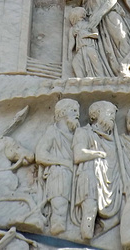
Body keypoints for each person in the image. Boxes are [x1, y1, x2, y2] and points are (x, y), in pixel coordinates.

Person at [71, 101, 124, 240]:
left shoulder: (114, 140)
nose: (113, 117)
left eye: (114, 114)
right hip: (89, 176)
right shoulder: (83, 132)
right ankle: (84, 237)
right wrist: (98, 154)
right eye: (109, 113)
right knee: (90, 209)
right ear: (97, 114)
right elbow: (78, 155)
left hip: (111, 181)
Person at [35, 98, 80, 235]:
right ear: (62, 113)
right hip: (59, 174)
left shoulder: (77, 135)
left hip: (76, 174)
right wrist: (63, 162)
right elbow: (40, 155)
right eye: (73, 111)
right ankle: (57, 228)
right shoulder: (53, 132)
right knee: (59, 210)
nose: (77, 115)